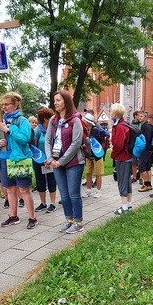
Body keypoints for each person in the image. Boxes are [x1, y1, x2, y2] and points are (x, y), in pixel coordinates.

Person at [0, 92, 38, 230]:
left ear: (15, 105)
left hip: (20, 160)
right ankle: (13, 216)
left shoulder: (21, 121)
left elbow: (25, 138)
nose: (4, 107)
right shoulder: (1, 121)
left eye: (7, 104)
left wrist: (9, 130)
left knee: (24, 189)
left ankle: (32, 217)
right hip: (4, 159)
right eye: (3, 104)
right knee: (10, 190)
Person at [45, 90, 85, 234]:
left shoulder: (75, 120)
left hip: (73, 162)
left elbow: (76, 143)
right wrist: (50, 158)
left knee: (74, 193)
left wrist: (61, 161)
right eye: (54, 100)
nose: (55, 103)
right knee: (64, 194)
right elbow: (48, 140)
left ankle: (78, 222)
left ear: (66, 102)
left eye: (58, 100)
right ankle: (68, 220)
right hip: (56, 163)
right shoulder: (53, 120)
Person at [110, 103, 134, 215]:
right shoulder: (124, 124)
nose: (110, 113)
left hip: (122, 157)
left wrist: (113, 155)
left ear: (115, 113)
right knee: (127, 181)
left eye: (111, 111)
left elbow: (118, 145)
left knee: (122, 182)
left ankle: (124, 207)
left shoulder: (119, 126)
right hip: (128, 156)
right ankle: (128, 205)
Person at [33, 108, 58, 213]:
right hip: (39, 161)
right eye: (50, 117)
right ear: (45, 119)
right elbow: (34, 147)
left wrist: (50, 159)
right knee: (40, 181)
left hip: (50, 159)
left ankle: (52, 203)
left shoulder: (53, 129)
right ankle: (43, 203)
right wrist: (42, 159)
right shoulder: (37, 131)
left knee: (52, 180)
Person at [82, 113, 105, 199]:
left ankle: (98, 191)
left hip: (97, 155)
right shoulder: (86, 130)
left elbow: (92, 141)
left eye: (85, 121)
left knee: (98, 174)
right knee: (88, 173)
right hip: (89, 155)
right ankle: (88, 190)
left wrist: (86, 138)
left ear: (88, 122)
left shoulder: (95, 130)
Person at [138, 112, 153, 192]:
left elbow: (146, 139)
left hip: (146, 149)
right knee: (147, 167)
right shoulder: (145, 126)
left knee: (142, 166)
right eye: (139, 116)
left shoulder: (147, 126)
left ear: (146, 117)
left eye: (141, 116)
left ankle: (146, 184)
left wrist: (142, 146)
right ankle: (149, 184)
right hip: (148, 149)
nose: (139, 118)